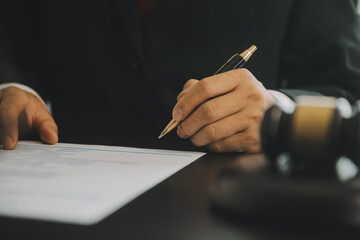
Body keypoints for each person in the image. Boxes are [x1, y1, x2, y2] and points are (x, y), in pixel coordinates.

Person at [1, 0, 360, 152]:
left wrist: (277, 116)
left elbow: (348, 90)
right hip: (58, 209)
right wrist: (12, 84)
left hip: (233, 213)